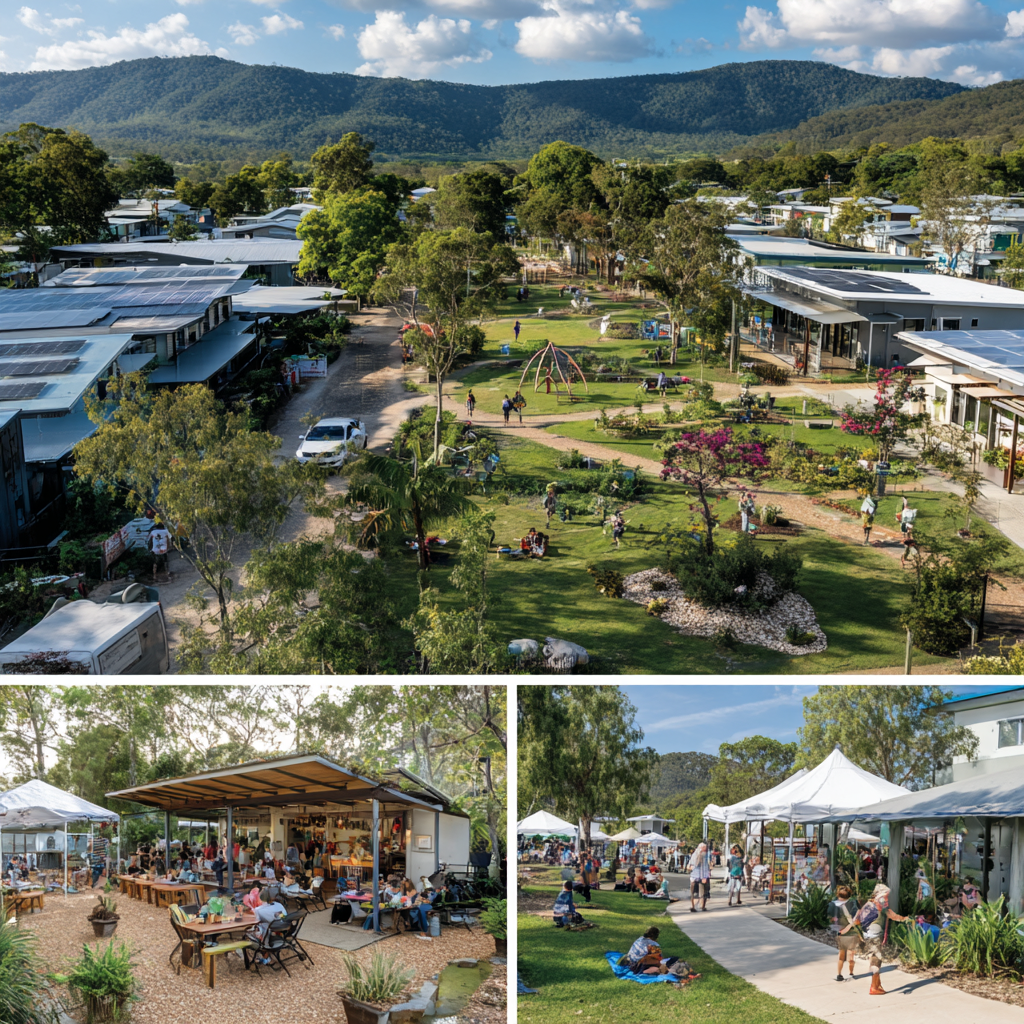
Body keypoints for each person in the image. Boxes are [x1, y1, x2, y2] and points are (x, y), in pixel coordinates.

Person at [838, 883, 910, 995]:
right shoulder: (879, 905)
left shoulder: (867, 904)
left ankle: (877, 984)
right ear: (879, 895)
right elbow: (892, 915)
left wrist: (850, 926)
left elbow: (857, 920)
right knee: (876, 961)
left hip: (868, 936)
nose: (886, 898)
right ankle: (874, 987)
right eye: (885, 896)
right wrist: (905, 919)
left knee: (875, 959)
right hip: (875, 937)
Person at [831, 885, 861, 981]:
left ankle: (841, 974)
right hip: (850, 932)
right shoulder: (854, 903)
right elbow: (859, 913)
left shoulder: (837, 904)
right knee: (850, 955)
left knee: (843, 955)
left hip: (843, 932)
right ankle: (849, 973)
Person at [689, 842, 711, 913]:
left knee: (694, 893)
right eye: (705, 848)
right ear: (702, 848)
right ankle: (702, 906)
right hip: (701, 877)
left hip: (693, 877)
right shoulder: (703, 855)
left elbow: (690, 865)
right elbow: (703, 868)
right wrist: (704, 877)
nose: (706, 849)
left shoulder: (694, 854)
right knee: (704, 892)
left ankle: (693, 906)